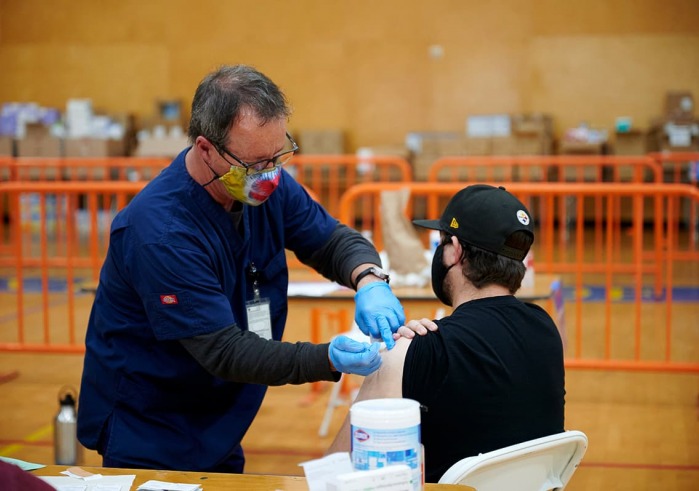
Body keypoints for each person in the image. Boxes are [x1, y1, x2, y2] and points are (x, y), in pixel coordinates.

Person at [77, 64, 406, 473]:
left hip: (219, 421)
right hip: (150, 426)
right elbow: (224, 350)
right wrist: (327, 360)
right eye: (254, 163)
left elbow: (330, 239)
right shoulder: (159, 231)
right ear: (206, 149)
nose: (269, 175)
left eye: (278, 156)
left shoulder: (267, 186)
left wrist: (369, 279)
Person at [329, 184, 566, 482]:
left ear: (455, 251)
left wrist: (406, 350)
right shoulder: (544, 329)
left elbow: (337, 474)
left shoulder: (411, 351)